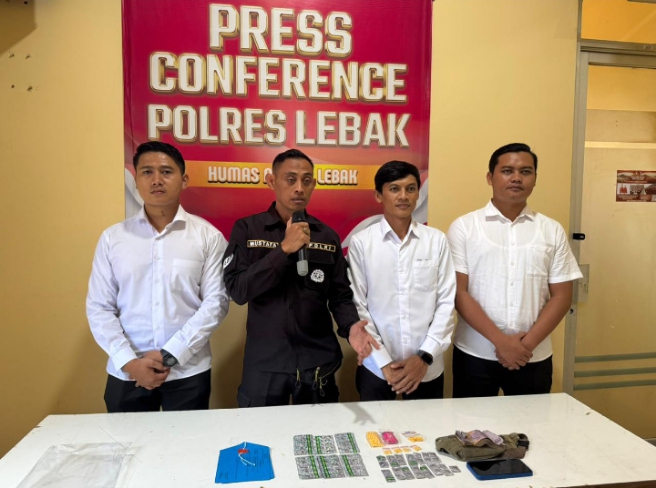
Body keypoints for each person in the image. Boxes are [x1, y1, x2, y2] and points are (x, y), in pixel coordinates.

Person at [223, 148, 377, 407]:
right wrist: (283, 250)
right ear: (271, 181)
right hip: (265, 365)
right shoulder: (248, 229)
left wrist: (351, 327)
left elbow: (339, 296)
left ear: (313, 185)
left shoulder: (326, 236)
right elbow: (238, 290)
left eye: (306, 181)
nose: (299, 188)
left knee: (320, 431)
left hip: (317, 363)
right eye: (290, 179)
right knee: (261, 431)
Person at [86, 141, 230, 412]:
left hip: (188, 372)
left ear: (184, 180)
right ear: (136, 180)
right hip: (127, 372)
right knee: (126, 440)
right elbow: (99, 307)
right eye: (147, 172)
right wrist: (130, 362)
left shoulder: (208, 237)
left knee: (187, 440)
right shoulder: (113, 239)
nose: (156, 180)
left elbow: (216, 303)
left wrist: (170, 354)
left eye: (166, 171)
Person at [447, 143, 582, 398]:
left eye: (526, 171)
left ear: (535, 179)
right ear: (490, 177)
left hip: (532, 356)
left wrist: (524, 346)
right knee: (471, 423)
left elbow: (563, 296)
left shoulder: (551, 230)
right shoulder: (464, 227)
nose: (517, 178)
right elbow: (459, 293)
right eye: (507, 171)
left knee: (531, 424)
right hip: (475, 354)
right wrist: (502, 343)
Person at [348, 161, 456, 401]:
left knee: (425, 426)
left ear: (418, 193)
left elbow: (446, 304)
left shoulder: (436, 241)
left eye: (411, 188)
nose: (403, 196)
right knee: (376, 426)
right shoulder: (362, 243)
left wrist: (424, 357)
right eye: (394, 189)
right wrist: (384, 362)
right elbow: (358, 307)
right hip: (376, 368)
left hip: (426, 368)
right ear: (379, 195)